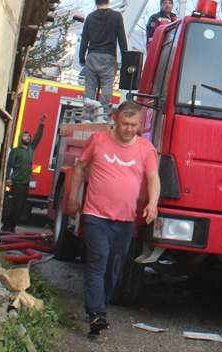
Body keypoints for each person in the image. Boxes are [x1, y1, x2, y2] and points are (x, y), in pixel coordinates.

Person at [66, 101, 159, 335]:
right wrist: (73, 199)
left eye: (134, 125)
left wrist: (152, 204)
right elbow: (79, 168)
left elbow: (153, 179)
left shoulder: (146, 149)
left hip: (125, 220)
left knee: (113, 267)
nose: (129, 129)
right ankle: (96, 312)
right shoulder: (98, 141)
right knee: (98, 262)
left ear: (139, 124)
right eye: (125, 124)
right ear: (115, 119)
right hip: (96, 215)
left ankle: (100, 309)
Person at [79, 0, 127, 105]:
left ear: (96, 2)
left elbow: (84, 39)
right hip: (108, 57)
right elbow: (121, 38)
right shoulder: (116, 16)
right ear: (108, 1)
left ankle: (89, 115)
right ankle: (103, 113)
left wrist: (82, 58)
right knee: (107, 84)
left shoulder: (90, 18)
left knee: (90, 85)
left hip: (92, 55)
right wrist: (126, 58)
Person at [2, 114, 46, 232]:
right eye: (25, 135)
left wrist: (42, 124)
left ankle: (12, 227)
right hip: (17, 182)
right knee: (15, 206)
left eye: (28, 136)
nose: (28, 137)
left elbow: (38, 137)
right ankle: (6, 226)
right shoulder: (16, 151)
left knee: (21, 207)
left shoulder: (31, 149)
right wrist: (7, 178)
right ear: (21, 137)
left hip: (26, 182)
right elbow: (9, 165)